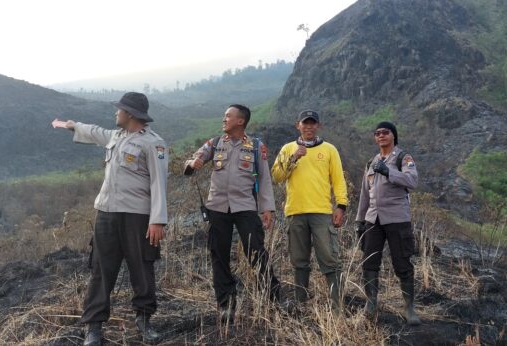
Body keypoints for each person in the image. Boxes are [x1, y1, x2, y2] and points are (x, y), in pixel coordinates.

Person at [52, 92, 167, 345]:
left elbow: (159, 183)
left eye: (120, 109)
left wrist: (157, 220)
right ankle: (94, 326)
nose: (116, 113)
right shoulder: (116, 136)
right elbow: (94, 132)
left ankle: (144, 320)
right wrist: (72, 125)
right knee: (101, 269)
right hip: (106, 213)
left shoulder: (153, 144)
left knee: (142, 268)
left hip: (137, 216)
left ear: (131, 114)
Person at [183, 104, 281, 325]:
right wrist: (193, 163)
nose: (224, 119)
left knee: (256, 252)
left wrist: (267, 209)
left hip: (245, 206)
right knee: (219, 255)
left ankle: (272, 297)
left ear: (240, 121)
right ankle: (226, 304)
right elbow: (191, 161)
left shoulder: (256, 146)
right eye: (224, 115)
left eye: (228, 116)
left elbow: (264, 179)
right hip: (217, 207)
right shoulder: (215, 143)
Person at [271, 110, 348, 314]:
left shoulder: (330, 149)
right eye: (305, 123)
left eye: (313, 123)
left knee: (330, 260)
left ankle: (337, 308)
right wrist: (294, 158)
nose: (309, 127)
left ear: (319, 126)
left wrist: (341, 206)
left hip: (322, 212)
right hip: (295, 212)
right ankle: (301, 304)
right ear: (298, 125)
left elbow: (338, 180)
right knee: (299, 261)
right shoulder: (288, 148)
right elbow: (277, 176)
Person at [355, 121, 422, 326]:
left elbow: (412, 182)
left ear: (394, 135)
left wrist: (388, 172)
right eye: (377, 133)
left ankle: (409, 308)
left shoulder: (403, 158)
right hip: (373, 219)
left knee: (402, 262)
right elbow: (365, 195)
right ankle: (371, 303)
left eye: (385, 132)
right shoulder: (371, 162)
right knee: (369, 261)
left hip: (397, 218)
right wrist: (359, 221)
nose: (381, 136)